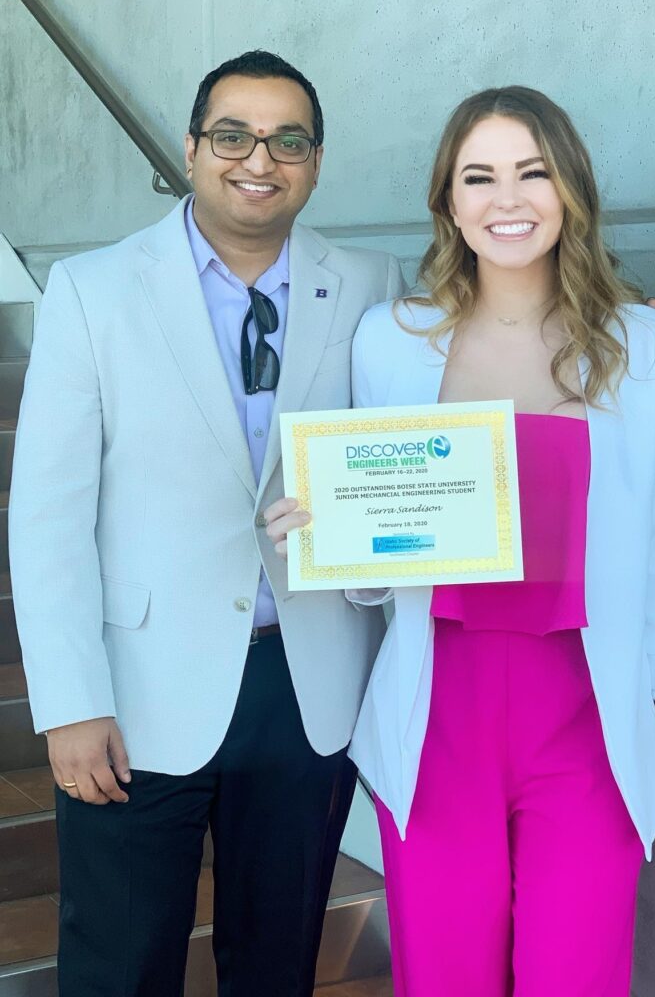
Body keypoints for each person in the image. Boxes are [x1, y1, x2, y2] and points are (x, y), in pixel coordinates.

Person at [338, 88, 655, 995]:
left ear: (571, 190)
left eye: (532, 172)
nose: (506, 200)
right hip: (437, 724)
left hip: (588, 728)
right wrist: (333, 534)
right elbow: (376, 554)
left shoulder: (641, 348)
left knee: (577, 979)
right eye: (479, 177)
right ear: (448, 201)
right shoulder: (387, 342)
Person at [9, 50, 406, 997]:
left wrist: (644, 342)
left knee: (276, 965)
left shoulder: (372, 283)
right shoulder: (93, 290)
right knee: (118, 961)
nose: (257, 159)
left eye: (287, 139)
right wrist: (69, 700)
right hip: (136, 692)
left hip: (309, 687)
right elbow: (48, 514)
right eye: (233, 135)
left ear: (316, 160)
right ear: (191, 149)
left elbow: (461, 397)